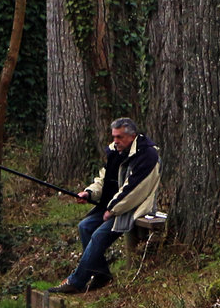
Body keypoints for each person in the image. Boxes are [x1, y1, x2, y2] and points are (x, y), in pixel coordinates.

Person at [52, 118, 160, 294]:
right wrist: (89, 193)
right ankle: (101, 274)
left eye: (119, 137)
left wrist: (112, 209)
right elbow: (103, 179)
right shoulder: (116, 152)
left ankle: (76, 281)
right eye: (114, 137)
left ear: (132, 137)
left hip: (133, 208)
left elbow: (134, 189)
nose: (115, 141)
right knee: (85, 226)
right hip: (113, 206)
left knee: (98, 236)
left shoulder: (148, 155)